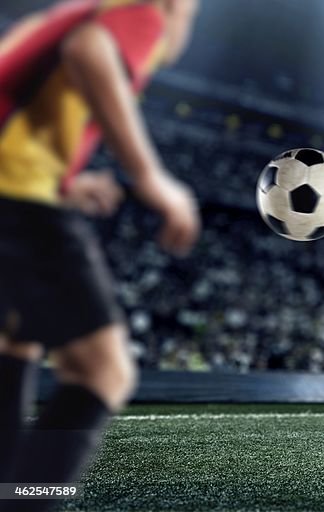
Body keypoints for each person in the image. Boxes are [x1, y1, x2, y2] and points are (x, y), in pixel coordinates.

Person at [0, 1, 201, 509]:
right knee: (102, 372)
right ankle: (28, 502)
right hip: (15, 191)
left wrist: (66, 182)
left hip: (21, 183)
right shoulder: (146, 10)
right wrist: (151, 177)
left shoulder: (72, 12)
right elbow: (90, 51)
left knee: (16, 339)